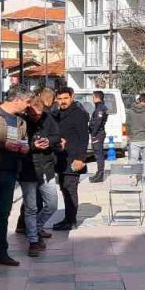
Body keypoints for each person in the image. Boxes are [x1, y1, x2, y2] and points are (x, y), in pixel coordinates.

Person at [0, 86, 30, 267]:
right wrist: (2, 144)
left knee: (3, 214)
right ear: (17, 99)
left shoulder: (21, 122)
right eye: (26, 102)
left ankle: (1, 252)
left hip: (9, 172)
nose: (28, 106)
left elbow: (23, 141)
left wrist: (25, 149)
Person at [19, 93, 59, 257]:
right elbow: (17, 143)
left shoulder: (48, 118)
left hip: (46, 168)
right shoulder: (21, 121)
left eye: (39, 114)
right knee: (31, 208)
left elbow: (57, 136)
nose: (37, 117)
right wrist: (33, 145)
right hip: (28, 168)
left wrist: (49, 142)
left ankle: (36, 227)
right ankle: (33, 241)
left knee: (52, 204)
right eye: (33, 114)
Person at [52, 87, 89, 230]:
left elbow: (84, 138)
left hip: (73, 159)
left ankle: (71, 221)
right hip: (61, 159)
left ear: (72, 97)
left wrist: (81, 158)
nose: (62, 102)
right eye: (60, 99)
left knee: (70, 189)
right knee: (64, 188)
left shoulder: (78, 114)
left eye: (65, 98)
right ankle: (67, 218)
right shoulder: (57, 114)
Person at [123, 93, 145, 184]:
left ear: (139, 100)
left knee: (133, 159)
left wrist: (127, 136)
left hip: (134, 139)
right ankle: (144, 177)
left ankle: (133, 177)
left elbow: (126, 125)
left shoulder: (130, 112)